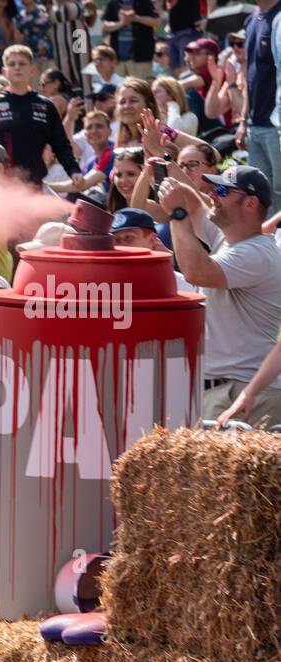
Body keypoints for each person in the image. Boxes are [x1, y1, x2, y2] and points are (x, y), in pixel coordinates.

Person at [158, 165, 281, 427]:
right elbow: (193, 201)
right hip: (232, 389)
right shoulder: (231, 240)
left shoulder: (256, 253)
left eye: (222, 190)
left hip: (245, 393)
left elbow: (195, 271)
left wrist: (176, 214)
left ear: (250, 203)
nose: (212, 194)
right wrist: (164, 163)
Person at [0, 45, 86, 188]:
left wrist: (73, 171)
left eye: (22, 64)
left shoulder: (45, 106)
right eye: (12, 64)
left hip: (34, 185)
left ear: (32, 71)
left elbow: (61, 145)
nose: (17, 67)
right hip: (0, 186)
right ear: (4, 72)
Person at [242, 0, 281, 210]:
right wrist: (242, 119)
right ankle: (267, 242)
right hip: (254, 124)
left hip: (275, 126)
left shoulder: (280, 17)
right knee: (258, 193)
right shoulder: (251, 20)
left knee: (279, 192)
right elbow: (248, 73)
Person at [101, 0, 158, 78]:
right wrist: (122, 23)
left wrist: (135, 18)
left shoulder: (145, 2)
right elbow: (104, 25)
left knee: (141, 88)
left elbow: (156, 21)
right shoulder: (113, 3)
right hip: (117, 59)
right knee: (119, 88)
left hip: (141, 58)